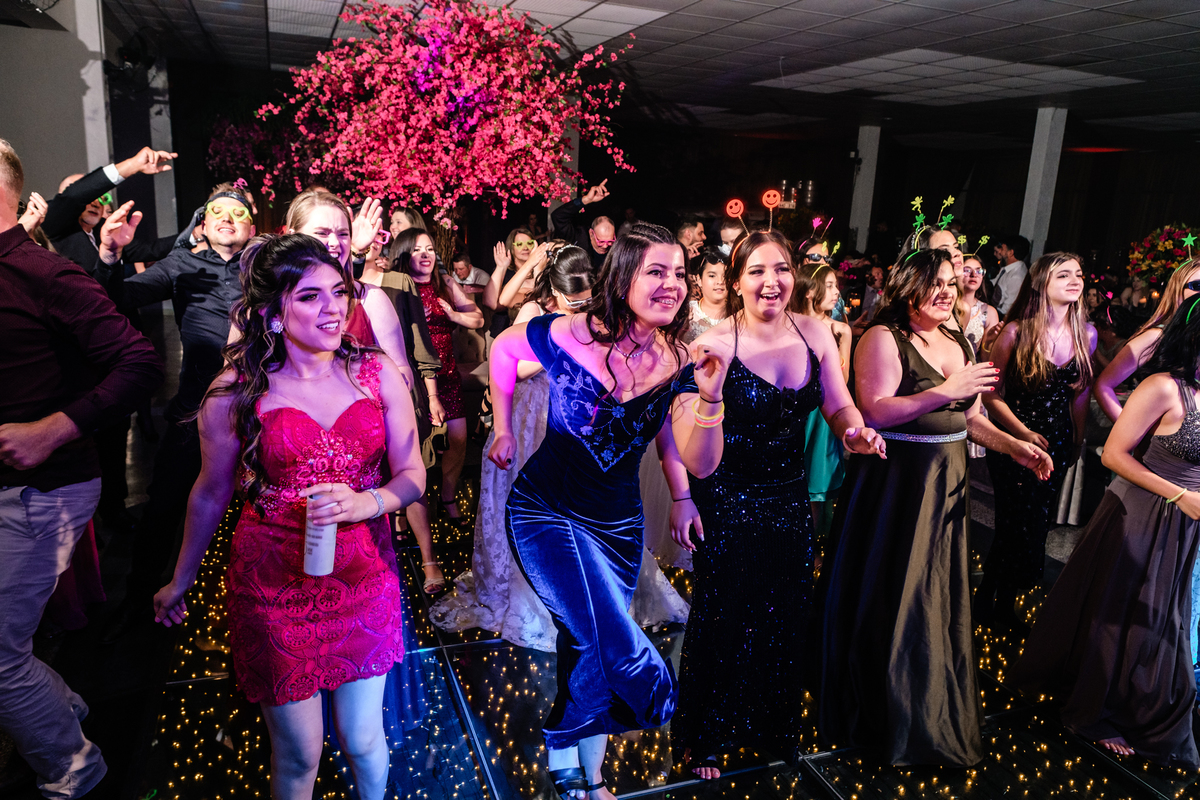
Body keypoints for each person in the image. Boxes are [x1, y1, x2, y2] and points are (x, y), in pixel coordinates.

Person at [152, 234, 424, 800]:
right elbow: (210, 493)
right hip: (273, 584)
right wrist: (179, 579)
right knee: (299, 754)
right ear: (273, 313)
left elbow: (413, 474)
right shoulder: (234, 392)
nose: (333, 309)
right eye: (309, 297)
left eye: (339, 292)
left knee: (365, 739)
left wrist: (367, 503)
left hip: (364, 576)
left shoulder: (376, 374)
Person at [487, 222, 729, 800]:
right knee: (607, 641)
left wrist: (683, 490)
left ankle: (586, 778)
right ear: (621, 277)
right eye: (656, 272)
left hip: (618, 526)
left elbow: (681, 446)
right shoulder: (566, 333)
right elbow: (502, 348)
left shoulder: (678, 358)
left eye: (679, 274)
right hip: (546, 509)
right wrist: (500, 425)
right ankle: (586, 726)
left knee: (583, 639)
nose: (672, 284)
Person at [820, 248, 1052, 767]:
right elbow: (876, 409)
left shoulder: (958, 340)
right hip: (895, 483)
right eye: (935, 282)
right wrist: (943, 390)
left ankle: (926, 700)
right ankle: (879, 708)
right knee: (889, 589)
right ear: (908, 287)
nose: (947, 291)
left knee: (932, 594)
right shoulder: (883, 338)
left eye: (951, 282)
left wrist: (1016, 447)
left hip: (946, 481)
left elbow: (969, 419)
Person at [670, 230, 884, 779]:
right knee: (725, 615)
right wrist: (712, 395)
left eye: (782, 269)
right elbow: (696, 459)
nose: (773, 282)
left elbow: (838, 406)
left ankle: (768, 724)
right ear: (737, 280)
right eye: (759, 271)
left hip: (789, 502)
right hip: (730, 500)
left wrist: (855, 432)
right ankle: (707, 733)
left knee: (783, 613)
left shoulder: (815, 332)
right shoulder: (714, 342)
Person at [0, 139, 163, 799]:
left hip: (43, 488)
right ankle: (59, 707)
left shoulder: (43, 271)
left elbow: (141, 363)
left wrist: (53, 429)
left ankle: (74, 771)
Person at [1011, 294, 1200, 768]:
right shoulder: (1162, 386)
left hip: (1186, 522)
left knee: (1161, 619)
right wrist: (1180, 496)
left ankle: (1138, 704)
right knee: (1120, 612)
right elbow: (1115, 455)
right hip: (1142, 513)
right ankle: (1094, 710)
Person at [99, 181, 260, 643]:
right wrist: (110, 257)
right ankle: (140, 605)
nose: (227, 217)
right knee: (164, 507)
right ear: (203, 224)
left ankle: (249, 606)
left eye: (237, 212)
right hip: (194, 412)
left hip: (261, 411)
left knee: (259, 511)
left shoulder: (264, 267)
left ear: (251, 226)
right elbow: (120, 297)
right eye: (217, 212)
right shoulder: (182, 263)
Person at [977, 253, 1097, 631]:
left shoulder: (1086, 334)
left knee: (1037, 525)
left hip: (1057, 443)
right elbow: (991, 396)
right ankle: (990, 602)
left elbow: (1080, 393)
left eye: (1078, 274)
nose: (1075, 280)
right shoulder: (1016, 332)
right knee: (1016, 523)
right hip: (1015, 442)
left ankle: (1003, 597)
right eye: (1064, 275)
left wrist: (1077, 440)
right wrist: (1022, 434)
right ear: (1042, 282)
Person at [394, 229, 484, 559]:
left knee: (458, 438)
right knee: (412, 449)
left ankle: (447, 496)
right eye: (417, 249)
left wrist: (453, 315)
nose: (426, 254)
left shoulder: (445, 284)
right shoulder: (398, 286)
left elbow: (477, 317)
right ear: (404, 254)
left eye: (430, 248)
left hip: (446, 375)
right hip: (414, 381)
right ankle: (403, 510)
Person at [1094, 260, 1200, 422]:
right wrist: (1128, 431)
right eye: (1197, 286)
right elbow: (1103, 386)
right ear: (1178, 291)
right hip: (1158, 442)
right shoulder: (1157, 336)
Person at [797, 264, 852, 539]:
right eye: (828, 285)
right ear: (809, 291)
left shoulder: (838, 328)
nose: (835, 292)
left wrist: (845, 340)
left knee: (816, 485)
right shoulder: (790, 322)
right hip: (796, 410)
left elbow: (841, 381)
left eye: (835, 285)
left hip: (823, 413)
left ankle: (809, 549)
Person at [549, 179, 615, 271]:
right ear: (591, 233)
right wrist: (586, 200)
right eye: (601, 241)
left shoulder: (616, 252)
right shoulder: (578, 238)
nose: (605, 246)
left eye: (610, 241)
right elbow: (558, 216)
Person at [682, 249, 727, 344]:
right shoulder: (686, 312)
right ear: (699, 279)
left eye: (725, 276)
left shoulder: (740, 314)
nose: (720, 281)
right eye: (712, 276)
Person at [992, 234, 1030, 316]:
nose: (1000, 251)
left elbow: (1008, 308)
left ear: (1010, 253)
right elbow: (994, 283)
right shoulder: (1007, 268)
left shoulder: (1017, 276)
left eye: (1002, 248)